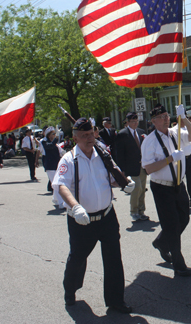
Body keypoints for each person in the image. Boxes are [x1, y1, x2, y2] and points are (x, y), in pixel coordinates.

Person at [52, 118, 132, 313]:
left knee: (113, 259)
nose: (89, 139)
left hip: (106, 217)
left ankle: (115, 300)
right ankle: (70, 290)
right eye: (84, 136)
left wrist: (125, 182)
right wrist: (75, 207)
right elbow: (61, 185)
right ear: (75, 137)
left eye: (91, 134)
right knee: (78, 259)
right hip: (82, 220)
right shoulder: (69, 160)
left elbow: (112, 178)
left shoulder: (103, 155)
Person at [141, 103, 191, 277]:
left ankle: (161, 242)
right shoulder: (149, 142)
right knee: (171, 225)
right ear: (153, 121)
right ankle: (179, 264)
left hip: (178, 185)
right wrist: (170, 159)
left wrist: (185, 118)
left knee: (184, 218)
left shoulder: (175, 133)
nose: (166, 119)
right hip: (162, 188)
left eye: (167, 116)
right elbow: (148, 169)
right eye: (161, 117)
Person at [114, 112, 149, 221]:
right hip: (130, 167)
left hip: (142, 166)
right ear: (128, 122)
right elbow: (119, 153)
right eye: (133, 121)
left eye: (136, 121)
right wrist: (122, 169)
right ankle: (134, 211)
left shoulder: (141, 132)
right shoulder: (122, 134)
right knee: (136, 188)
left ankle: (141, 211)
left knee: (142, 189)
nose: (135, 123)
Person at [41, 126, 64, 208]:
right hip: (50, 166)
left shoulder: (55, 144)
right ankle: (61, 203)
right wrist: (56, 138)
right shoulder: (44, 141)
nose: (54, 135)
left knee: (56, 183)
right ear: (49, 135)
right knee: (57, 184)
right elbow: (49, 146)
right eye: (53, 134)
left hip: (56, 165)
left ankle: (55, 199)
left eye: (55, 133)